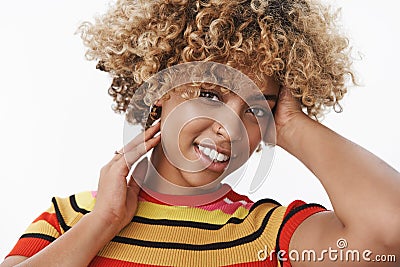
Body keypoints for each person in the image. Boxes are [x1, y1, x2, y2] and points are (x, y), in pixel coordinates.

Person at [2, 0, 400, 266]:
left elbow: (389, 234)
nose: (230, 128)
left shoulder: (270, 235)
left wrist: (293, 125)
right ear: (160, 88)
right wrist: (103, 221)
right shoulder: (68, 220)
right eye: (210, 94)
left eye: (256, 108)